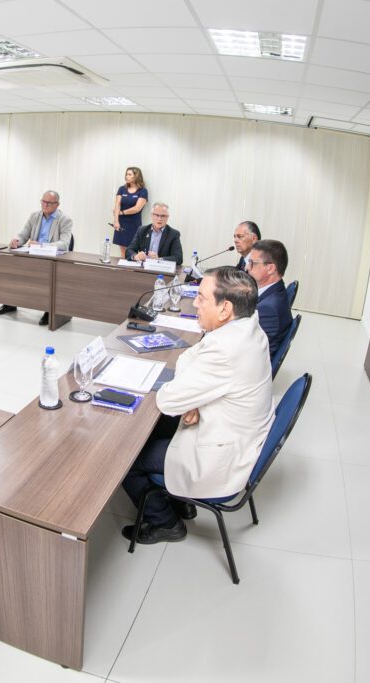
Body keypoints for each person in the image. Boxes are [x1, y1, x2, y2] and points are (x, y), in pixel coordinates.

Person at [120, 267, 273, 544]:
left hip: (219, 454)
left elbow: (167, 399)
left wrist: (191, 398)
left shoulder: (224, 349)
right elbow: (190, 358)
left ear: (225, 309)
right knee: (159, 426)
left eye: (202, 297)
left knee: (125, 457)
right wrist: (196, 401)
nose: (195, 303)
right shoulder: (249, 324)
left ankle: (165, 522)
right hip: (238, 434)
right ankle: (180, 502)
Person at [0, 191, 73, 326]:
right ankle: (10, 303)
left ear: (57, 204)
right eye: (43, 201)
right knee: (10, 267)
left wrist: (41, 245)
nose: (45, 205)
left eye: (49, 203)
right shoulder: (35, 216)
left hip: (51, 258)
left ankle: (49, 310)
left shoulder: (65, 219)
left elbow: (64, 244)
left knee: (47, 276)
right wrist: (16, 241)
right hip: (33, 255)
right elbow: (23, 235)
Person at [246, 239, 293, 358]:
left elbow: (246, 346)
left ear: (271, 268)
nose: (247, 267)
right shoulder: (274, 291)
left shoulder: (268, 309)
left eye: (252, 263)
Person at [112, 167, 148, 259]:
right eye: (126, 174)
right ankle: (123, 267)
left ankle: (131, 267)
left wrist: (122, 212)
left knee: (133, 250)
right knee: (123, 252)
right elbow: (117, 205)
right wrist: (116, 221)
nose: (126, 176)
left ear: (136, 176)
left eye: (129, 174)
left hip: (134, 224)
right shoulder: (122, 189)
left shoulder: (143, 191)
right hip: (121, 223)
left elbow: (137, 208)